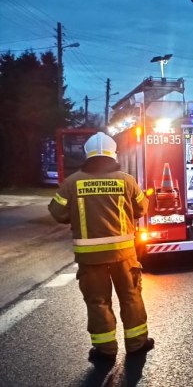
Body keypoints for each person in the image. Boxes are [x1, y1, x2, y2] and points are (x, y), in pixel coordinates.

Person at [47, 132, 154, 363]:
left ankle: (105, 352)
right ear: (113, 154)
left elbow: (57, 213)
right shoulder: (127, 181)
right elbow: (142, 209)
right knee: (130, 296)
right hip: (124, 253)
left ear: (87, 155)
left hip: (90, 257)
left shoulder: (72, 183)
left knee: (98, 301)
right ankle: (137, 344)